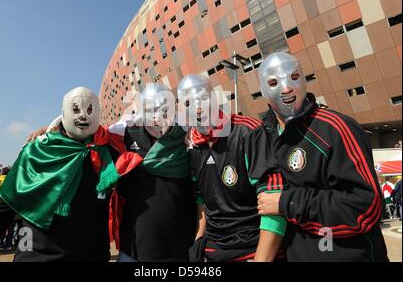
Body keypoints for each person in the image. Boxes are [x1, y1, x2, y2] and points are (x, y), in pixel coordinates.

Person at [0, 87, 139, 262]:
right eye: (76, 109)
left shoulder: (110, 153)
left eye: (90, 110)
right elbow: (6, 200)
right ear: (64, 112)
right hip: (37, 256)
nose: (83, 116)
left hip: (91, 255)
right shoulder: (36, 151)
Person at [255, 52, 388, 262]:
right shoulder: (262, 136)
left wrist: (287, 203)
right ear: (263, 89)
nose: (287, 87)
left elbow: (368, 207)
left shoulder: (336, 128)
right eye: (274, 82)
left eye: (294, 77)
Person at [44, 83, 197, 262]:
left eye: (163, 110)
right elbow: (90, 131)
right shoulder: (125, 132)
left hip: (179, 246)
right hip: (134, 246)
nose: (156, 118)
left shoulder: (188, 135)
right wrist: (55, 129)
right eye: (150, 110)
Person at [177, 75, 286, 262]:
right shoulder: (191, 146)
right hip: (215, 249)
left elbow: (274, 197)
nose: (198, 108)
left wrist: (262, 259)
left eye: (202, 98)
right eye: (188, 103)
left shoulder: (248, 131)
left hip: (254, 247)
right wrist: (198, 241)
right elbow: (203, 199)